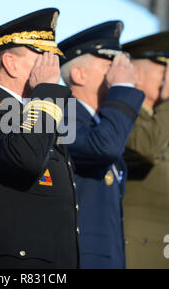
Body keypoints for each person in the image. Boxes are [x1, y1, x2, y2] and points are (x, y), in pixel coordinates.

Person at [0, 8, 78, 268]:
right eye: (42, 55)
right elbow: (25, 159)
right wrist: (47, 93)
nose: (52, 66)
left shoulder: (44, 113)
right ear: (10, 63)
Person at [58, 21, 145, 268]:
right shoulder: (61, 118)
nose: (119, 72)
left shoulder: (101, 125)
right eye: (109, 65)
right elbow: (103, 147)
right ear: (78, 74)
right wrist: (123, 88)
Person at [121, 31, 169, 269]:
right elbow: (144, 147)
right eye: (165, 73)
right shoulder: (123, 118)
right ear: (137, 75)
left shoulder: (164, 127)